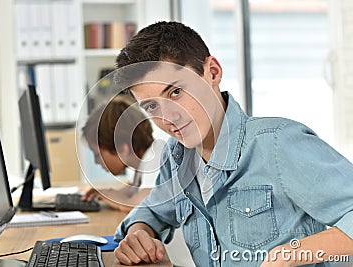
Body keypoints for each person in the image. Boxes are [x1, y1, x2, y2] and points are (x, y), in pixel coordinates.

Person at [110, 21, 353, 267]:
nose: (169, 117)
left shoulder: (278, 144)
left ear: (212, 72)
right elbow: (152, 212)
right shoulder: (177, 158)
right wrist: (138, 233)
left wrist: (287, 256)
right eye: (152, 106)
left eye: (176, 93)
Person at [81, 94, 195, 266]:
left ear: (123, 148)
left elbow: (142, 202)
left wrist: (109, 197)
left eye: (97, 154)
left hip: (179, 260)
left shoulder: (157, 156)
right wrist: (106, 193)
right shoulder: (141, 163)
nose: (97, 161)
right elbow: (132, 190)